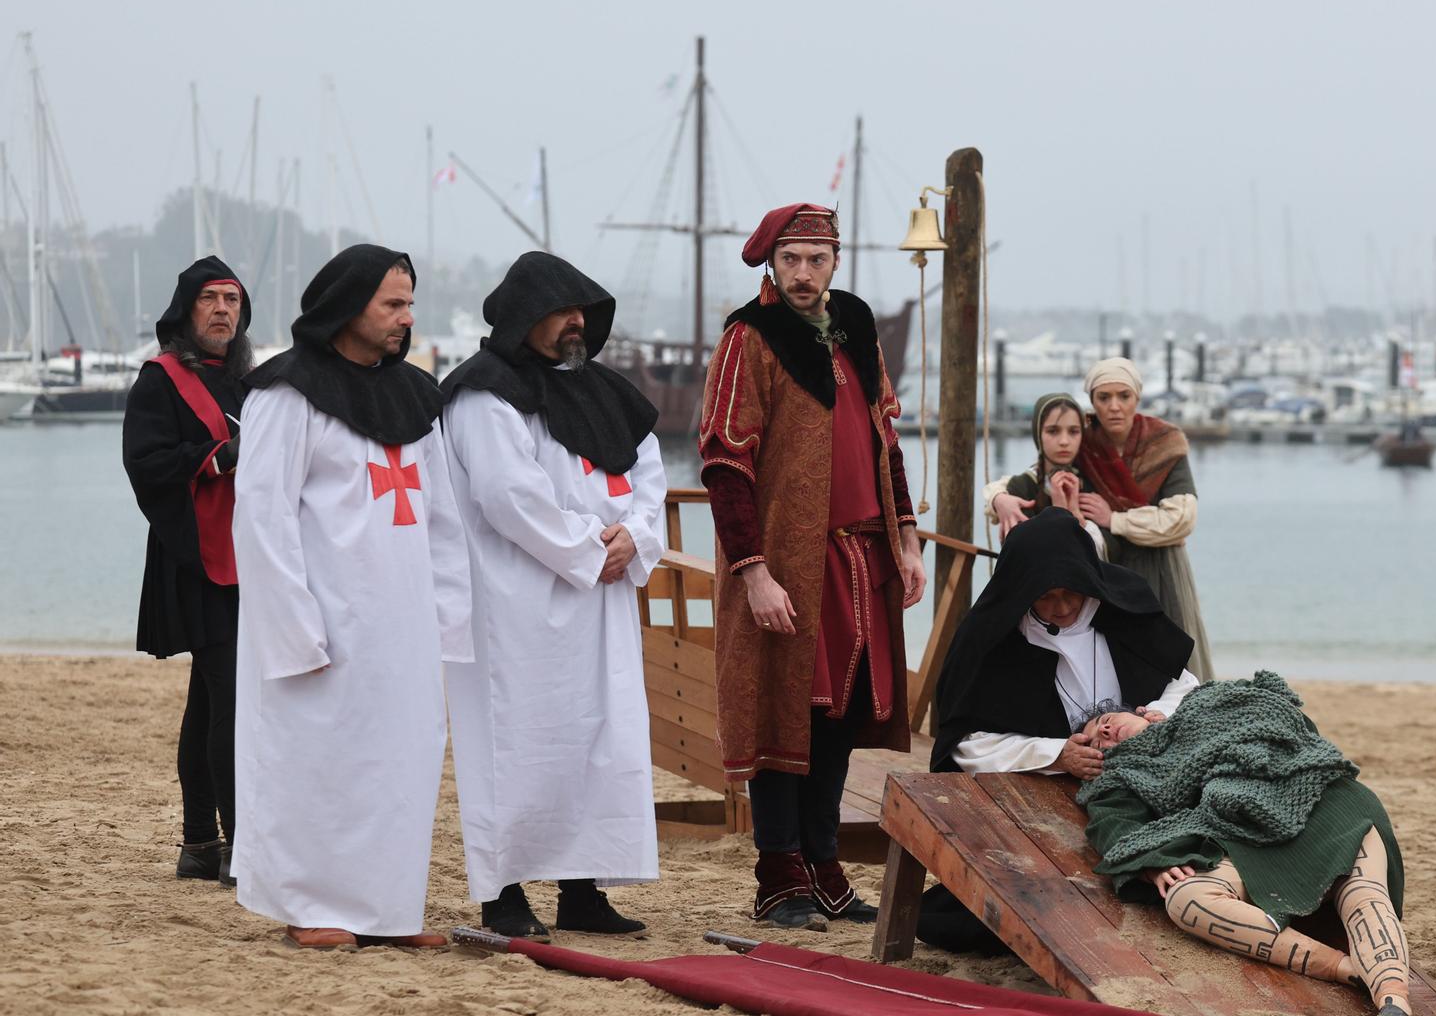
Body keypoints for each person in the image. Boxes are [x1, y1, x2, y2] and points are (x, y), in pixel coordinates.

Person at [231, 245, 473, 951]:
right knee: (317, 762)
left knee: (401, 760)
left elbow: (443, 518)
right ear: (348, 306)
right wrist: (293, 625)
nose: (407, 318)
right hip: (325, 614)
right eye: (392, 305)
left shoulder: (415, 394)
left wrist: (449, 620)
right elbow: (262, 513)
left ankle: (389, 911)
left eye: (408, 304)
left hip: (402, 620)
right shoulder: (285, 392)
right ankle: (312, 905)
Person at [698, 203, 926, 931]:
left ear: (835, 262)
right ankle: (778, 873)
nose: (803, 273)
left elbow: (886, 442)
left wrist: (910, 538)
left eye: (816, 259)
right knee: (781, 708)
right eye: (791, 259)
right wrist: (753, 571)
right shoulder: (748, 338)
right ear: (772, 262)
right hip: (787, 558)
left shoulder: (856, 327)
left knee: (838, 714)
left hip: (861, 553)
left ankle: (824, 865)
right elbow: (725, 462)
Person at [440, 252, 668, 940]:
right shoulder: (484, 394)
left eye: (584, 313)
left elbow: (647, 473)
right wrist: (589, 548)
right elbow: (509, 495)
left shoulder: (606, 391)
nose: (577, 324)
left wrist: (637, 536)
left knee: (598, 742)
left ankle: (582, 889)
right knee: (516, 744)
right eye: (562, 312)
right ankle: (504, 894)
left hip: (599, 601)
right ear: (523, 317)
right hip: (517, 604)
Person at [1076, 672, 1416, 1016]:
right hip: (1234, 839)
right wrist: (1152, 860)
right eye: (1095, 742)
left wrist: (1244, 763)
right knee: (1186, 899)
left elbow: (1294, 725)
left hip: (1324, 807)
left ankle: (1394, 1002)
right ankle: (1344, 969)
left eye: (1105, 723)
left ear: (1144, 712)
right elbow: (1113, 826)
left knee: (1363, 893)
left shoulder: (1210, 703)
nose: (1105, 735)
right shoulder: (1117, 780)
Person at [122, 256, 252, 888]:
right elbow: (145, 463)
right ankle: (243, 844)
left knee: (209, 704)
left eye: (231, 299)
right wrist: (215, 457)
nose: (223, 309)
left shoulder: (251, 380)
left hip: (247, 558)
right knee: (230, 703)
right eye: (210, 299)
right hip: (195, 558)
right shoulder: (161, 378)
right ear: (187, 309)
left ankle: (201, 843)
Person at [931, 508, 1197, 778]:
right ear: (1023, 592)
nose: (1061, 607)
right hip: (1038, 792)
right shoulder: (989, 639)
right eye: (1045, 596)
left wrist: (1153, 718)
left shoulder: (1124, 611)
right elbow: (965, 745)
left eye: (1071, 591)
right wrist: (1055, 755)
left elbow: (1185, 686)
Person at [1069, 357, 1213, 680]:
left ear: (1138, 397)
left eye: (1124, 396)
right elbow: (1036, 476)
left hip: (1164, 568)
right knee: (1118, 670)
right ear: (1092, 401)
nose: (1114, 406)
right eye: (1103, 398)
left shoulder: (1166, 443)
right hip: (1109, 574)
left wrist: (1115, 519)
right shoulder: (1082, 442)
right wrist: (1000, 498)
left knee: (1178, 664)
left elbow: (1181, 518)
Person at [985, 392, 1097, 540]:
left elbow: (1107, 552)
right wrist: (1059, 513)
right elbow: (1021, 552)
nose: (1064, 441)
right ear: (1038, 434)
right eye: (1053, 431)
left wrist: (1078, 516)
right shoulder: (1021, 487)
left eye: (1073, 431)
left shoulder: (1091, 484)